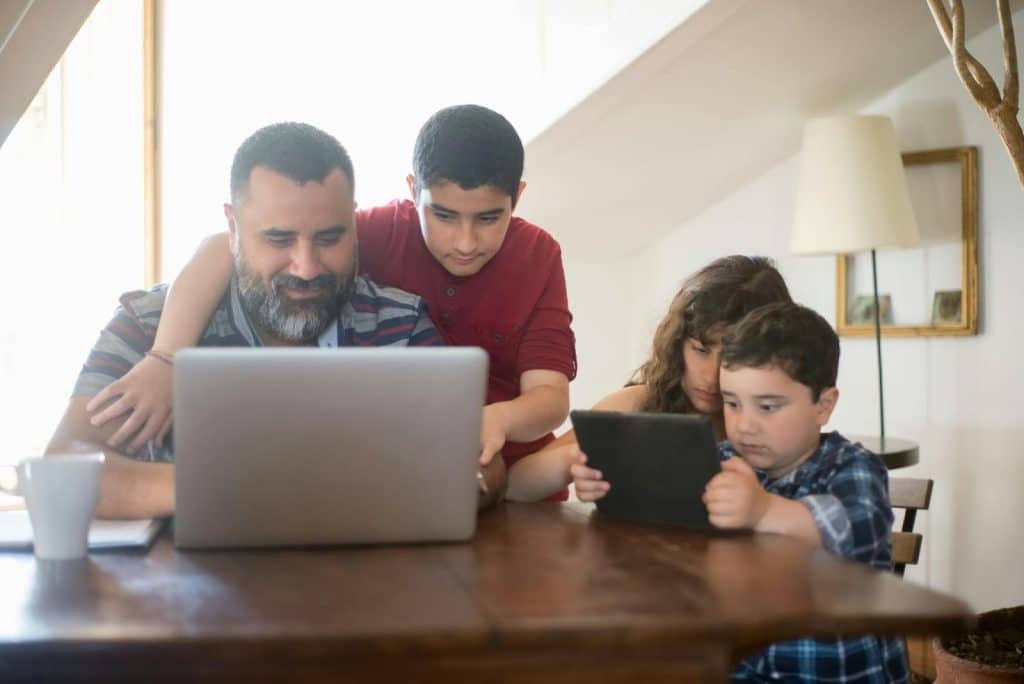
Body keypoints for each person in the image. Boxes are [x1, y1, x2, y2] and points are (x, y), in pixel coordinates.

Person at [85, 105, 576, 495]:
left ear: (518, 198)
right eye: (444, 216)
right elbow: (224, 246)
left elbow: (551, 397)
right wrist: (167, 356)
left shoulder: (534, 257)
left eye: (488, 219)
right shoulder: (370, 232)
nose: (465, 242)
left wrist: (495, 420)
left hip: (504, 473)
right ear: (413, 193)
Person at [576, 302, 909, 682]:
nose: (745, 424)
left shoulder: (852, 467)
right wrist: (608, 482)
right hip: (745, 668)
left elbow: (855, 529)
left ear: (823, 405)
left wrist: (765, 510)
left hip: (838, 675)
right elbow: (664, 525)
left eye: (767, 406)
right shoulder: (721, 462)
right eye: (732, 403)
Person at [506, 255, 792, 502]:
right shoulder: (635, 405)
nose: (711, 377)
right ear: (678, 343)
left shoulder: (784, 428)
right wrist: (576, 460)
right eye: (700, 350)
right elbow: (513, 486)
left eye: (731, 356)